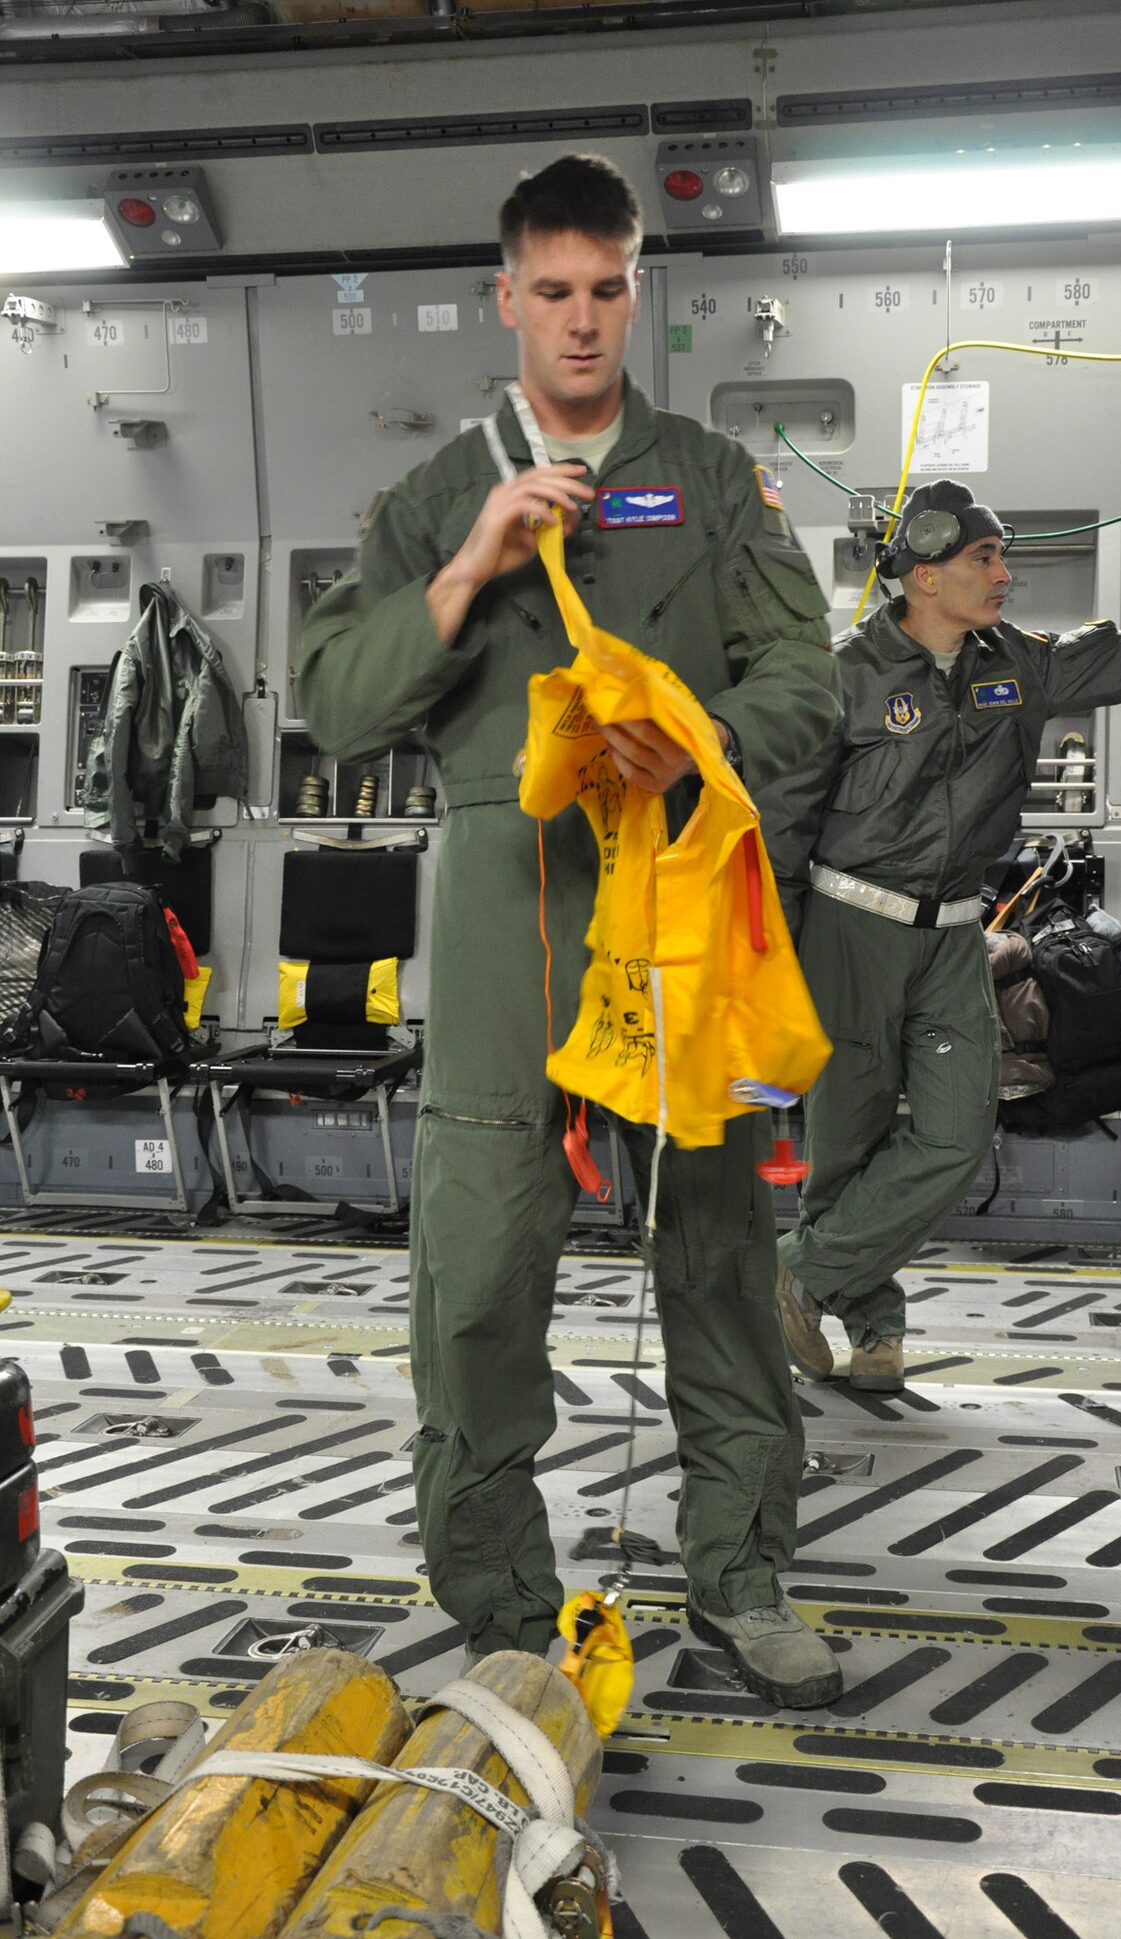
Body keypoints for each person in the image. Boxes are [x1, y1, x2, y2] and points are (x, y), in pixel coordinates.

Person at [299, 154, 843, 1707]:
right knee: (475, 1277)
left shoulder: (711, 478)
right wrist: (472, 559)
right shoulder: (427, 498)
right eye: (554, 293)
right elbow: (338, 700)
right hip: (502, 908)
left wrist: (702, 737)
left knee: (724, 1263)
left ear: (634, 291)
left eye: (609, 289)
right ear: (506, 301)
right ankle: (500, 1608)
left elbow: (806, 677)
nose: (585, 321)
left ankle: (739, 1578)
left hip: (675, 901)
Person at [763, 477, 1121, 1393]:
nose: (1005, 575)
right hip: (849, 928)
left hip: (956, 932)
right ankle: (871, 1322)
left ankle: (800, 1272)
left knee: (956, 1135)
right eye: (983, 558)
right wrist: (779, 951)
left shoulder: (1021, 664)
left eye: (1001, 556)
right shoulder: (841, 676)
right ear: (923, 575)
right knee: (849, 1139)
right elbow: (783, 821)